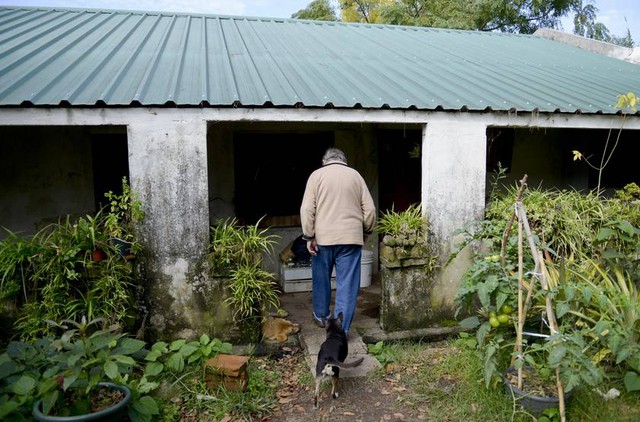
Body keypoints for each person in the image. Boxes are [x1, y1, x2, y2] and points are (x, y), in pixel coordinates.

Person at [300, 147, 376, 337]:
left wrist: (309, 236)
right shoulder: (356, 176)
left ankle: (321, 316)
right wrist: (365, 232)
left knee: (321, 279)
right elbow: (370, 210)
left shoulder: (316, 176)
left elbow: (307, 209)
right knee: (347, 284)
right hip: (350, 238)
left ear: (325, 161)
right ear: (344, 160)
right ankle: (341, 329)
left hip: (322, 239)